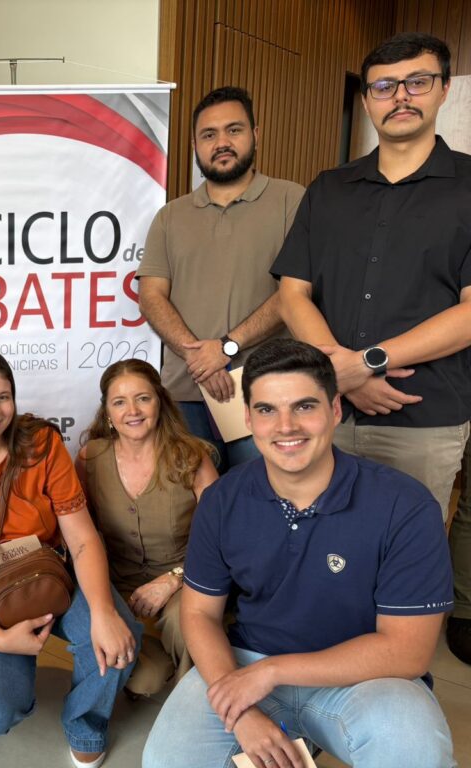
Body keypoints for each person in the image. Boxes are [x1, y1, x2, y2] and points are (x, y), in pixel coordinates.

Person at [142, 339, 455, 768]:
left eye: (305, 406)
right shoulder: (223, 500)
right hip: (247, 661)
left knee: (414, 752)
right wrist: (242, 709)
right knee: (167, 761)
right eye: (268, 410)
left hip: (363, 677)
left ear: (336, 410)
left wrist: (272, 673)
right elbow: (199, 614)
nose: (286, 426)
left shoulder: (404, 505)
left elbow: (407, 651)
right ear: (248, 417)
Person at [272, 32, 471, 664]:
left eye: (417, 82)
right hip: (323, 411)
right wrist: (340, 370)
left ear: (443, 88)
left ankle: (394, 680)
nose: (400, 97)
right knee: (316, 545)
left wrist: (366, 363)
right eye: (384, 86)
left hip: (423, 414)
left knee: (399, 554)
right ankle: (316, 679)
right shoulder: (328, 189)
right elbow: (291, 294)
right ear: (366, 100)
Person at [0, 347, 141, 768]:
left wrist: (104, 612)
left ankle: (85, 723)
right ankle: (6, 673)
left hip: (53, 572)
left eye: (3, 397)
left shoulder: (41, 443)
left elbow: (83, 538)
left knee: (119, 635)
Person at [139, 86, 305, 473]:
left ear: (256, 135)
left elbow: (294, 293)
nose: (222, 143)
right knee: (195, 510)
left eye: (234, 130)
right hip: (186, 392)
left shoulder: (291, 201)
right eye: (209, 135)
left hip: (263, 392)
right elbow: (151, 297)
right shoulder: (170, 217)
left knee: (260, 503)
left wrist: (226, 349)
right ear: (196, 145)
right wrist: (202, 359)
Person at [78, 360, 217, 695]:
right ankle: (160, 667)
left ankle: (194, 702)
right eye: (119, 402)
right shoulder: (90, 458)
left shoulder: (193, 456)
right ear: (107, 411)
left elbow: (220, 538)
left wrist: (173, 579)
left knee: (186, 625)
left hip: (185, 576)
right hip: (116, 581)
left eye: (143, 398)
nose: (132, 411)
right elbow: (80, 533)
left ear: (160, 401)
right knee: (147, 680)